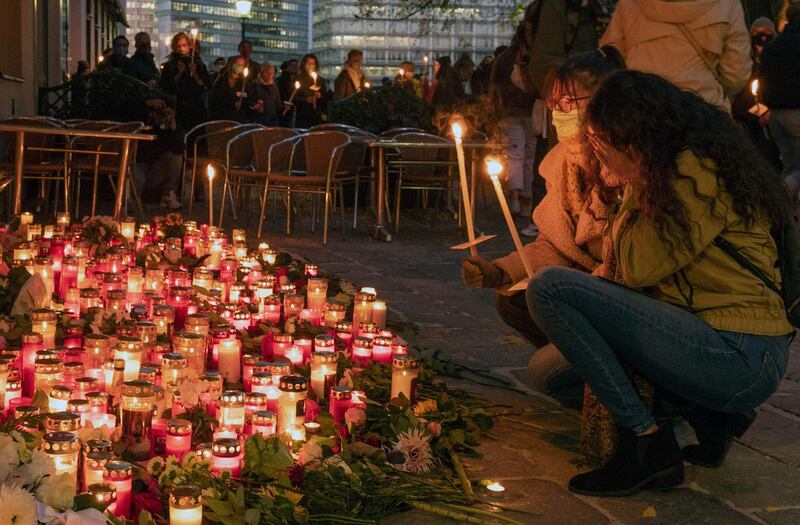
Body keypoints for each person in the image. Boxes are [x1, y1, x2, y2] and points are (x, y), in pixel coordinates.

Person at [526, 70, 792, 497]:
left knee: (550, 289)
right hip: (709, 334)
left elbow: (638, 267)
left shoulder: (693, 173)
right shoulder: (675, 166)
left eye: (600, 141)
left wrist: (633, 180)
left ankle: (647, 442)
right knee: (550, 372)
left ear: (634, 137)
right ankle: (710, 416)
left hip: (739, 350)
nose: (597, 152)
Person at [464, 46, 625, 409]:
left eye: (570, 101)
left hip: (630, 296)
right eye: (553, 103)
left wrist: (583, 291)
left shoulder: (629, 165)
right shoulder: (563, 165)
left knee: (546, 369)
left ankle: (628, 393)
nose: (559, 113)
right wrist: (499, 270)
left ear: (606, 100)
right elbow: (556, 244)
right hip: (591, 290)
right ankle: (597, 377)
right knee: (516, 301)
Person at [600, 0, 752, 110]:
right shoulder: (727, 4)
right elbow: (736, 74)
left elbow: (608, 62)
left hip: (647, 114)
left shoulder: (628, 5)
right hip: (707, 112)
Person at [489, 23, 538, 230]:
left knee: (514, 155)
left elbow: (493, 87)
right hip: (531, 110)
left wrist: (496, 110)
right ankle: (527, 198)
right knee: (529, 156)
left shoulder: (503, 59)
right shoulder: (531, 56)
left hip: (509, 113)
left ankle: (515, 197)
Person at [731, 17, 781, 171]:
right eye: (758, 33)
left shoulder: (778, 61)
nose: (763, 37)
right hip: (749, 122)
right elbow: (739, 96)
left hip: (774, 120)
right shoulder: (743, 63)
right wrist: (757, 111)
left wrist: (770, 111)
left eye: (768, 32)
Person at [760, 3, 800, 196]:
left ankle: (788, 218)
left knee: (790, 167)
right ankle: (778, 197)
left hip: (776, 116)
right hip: (797, 114)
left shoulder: (772, 47)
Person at [135, 99, 185, 209]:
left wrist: (170, 126)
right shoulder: (143, 123)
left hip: (155, 170)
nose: (163, 115)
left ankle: (168, 196)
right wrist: (148, 107)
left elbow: (179, 149)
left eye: (167, 113)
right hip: (139, 166)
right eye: (160, 112)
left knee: (175, 156)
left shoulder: (165, 128)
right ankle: (133, 200)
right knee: (137, 176)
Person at [159, 32, 209, 132]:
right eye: (178, 46)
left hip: (196, 108)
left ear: (189, 46)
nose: (181, 49)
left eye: (184, 45)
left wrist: (194, 74)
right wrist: (179, 74)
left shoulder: (199, 64)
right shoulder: (170, 65)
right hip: (178, 108)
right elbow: (165, 87)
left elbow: (206, 87)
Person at [209, 56, 251, 122]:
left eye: (242, 65)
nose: (240, 66)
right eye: (238, 64)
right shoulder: (222, 80)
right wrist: (232, 103)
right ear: (232, 64)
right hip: (222, 117)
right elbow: (217, 99)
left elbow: (247, 97)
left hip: (238, 118)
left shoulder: (244, 82)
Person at [293, 53, 328, 128]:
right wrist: (306, 100)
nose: (311, 66)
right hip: (303, 116)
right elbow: (293, 98)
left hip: (316, 116)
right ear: (304, 64)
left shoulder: (320, 80)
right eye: (308, 63)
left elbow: (325, 99)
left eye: (313, 63)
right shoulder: (298, 78)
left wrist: (320, 97)